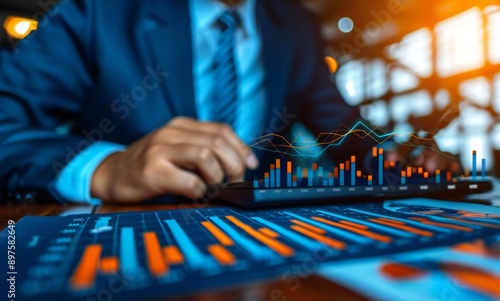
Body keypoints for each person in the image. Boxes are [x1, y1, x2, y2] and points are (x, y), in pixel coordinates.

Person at [0, 0, 452, 204]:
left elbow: (344, 132)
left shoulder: (294, 28)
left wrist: (403, 157)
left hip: (256, 243)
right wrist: (106, 167)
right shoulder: (100, 10)